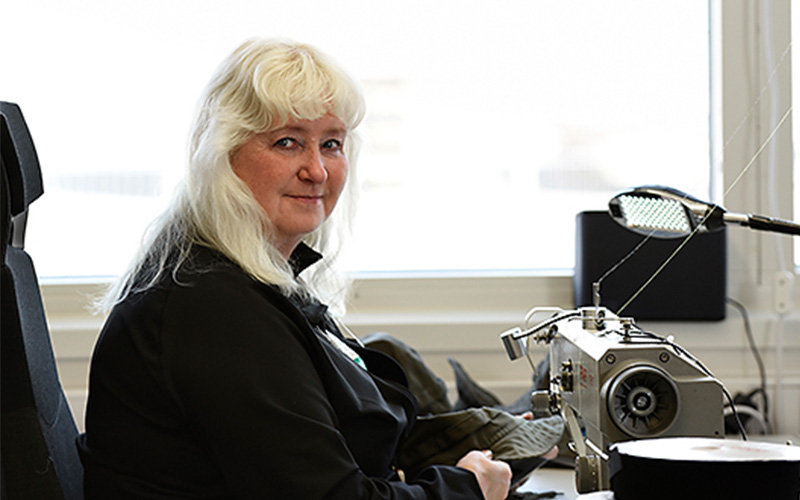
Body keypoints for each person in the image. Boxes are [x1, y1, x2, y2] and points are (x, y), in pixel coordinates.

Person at [77, 38, 552, 500]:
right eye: (287, 142)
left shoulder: (242, 275)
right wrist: (467, 490)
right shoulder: (212, 306)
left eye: (331, 144)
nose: (317, 171)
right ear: (223, 155)